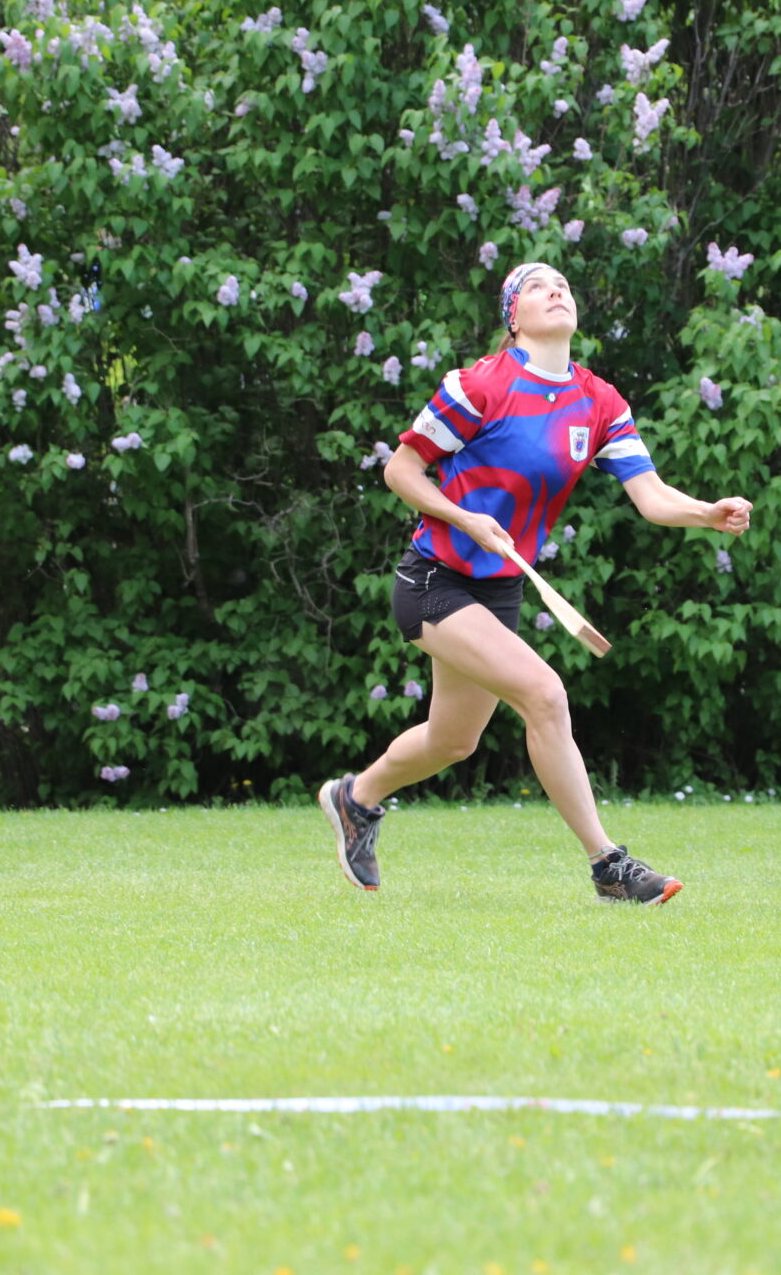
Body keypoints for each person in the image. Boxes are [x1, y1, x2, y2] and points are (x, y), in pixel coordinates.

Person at [317, 262, 754, 903]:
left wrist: (707, 512)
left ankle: (354, 798)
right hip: (435, 578)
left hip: (499, 589)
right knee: (546, 695)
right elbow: (401, 470)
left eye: (564, 286)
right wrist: (465, 516)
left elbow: (652, 496)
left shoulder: (599, 402)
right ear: (513, 316)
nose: (556, 292)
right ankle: (609, 867)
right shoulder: (478, 386)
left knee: (452, 740)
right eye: (537, 287)